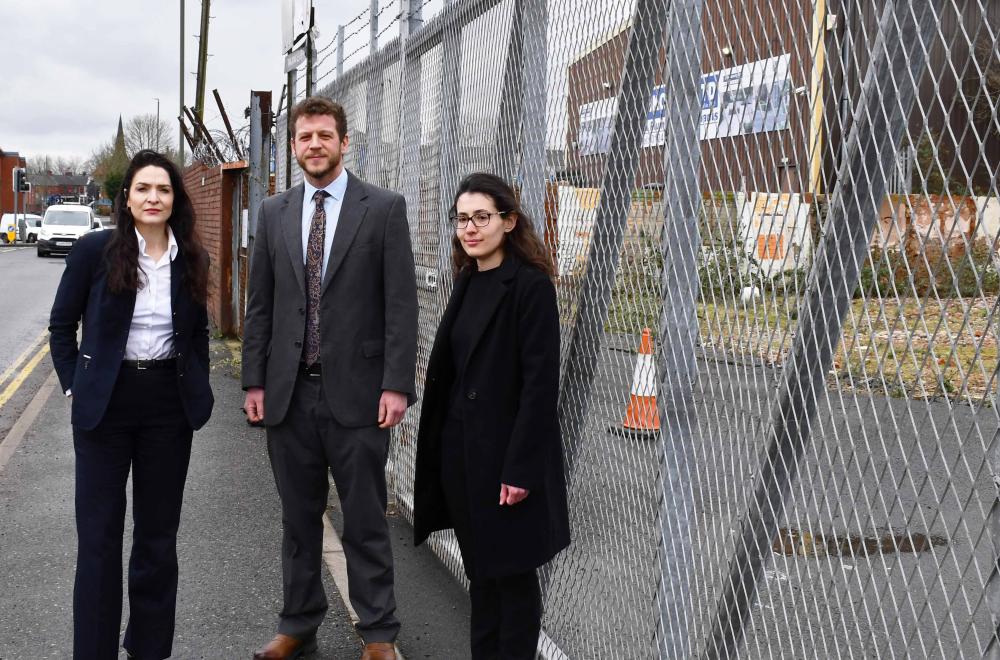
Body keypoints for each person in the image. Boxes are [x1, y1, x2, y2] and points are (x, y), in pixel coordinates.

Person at [242, 96, 418, 660]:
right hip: (289, 396)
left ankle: (379, 633)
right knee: (298, 522)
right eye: (304, 137)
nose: (314, 145)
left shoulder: (384, 208)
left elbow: (401, 305)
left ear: (345, 142)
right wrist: (254, 382)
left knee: (365, 518)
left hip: (361, 396)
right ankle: (298, 623)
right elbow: (260, 307)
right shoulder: (272, 213)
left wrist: (396, 383)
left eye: (324, 135)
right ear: (292, 147)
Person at [48, 149, 214, 660]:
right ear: (127, 198)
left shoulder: (191, 257)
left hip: (167, 406)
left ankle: (148, 649)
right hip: (106, 408)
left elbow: (197, 333)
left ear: (174, 200)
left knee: (157, 542)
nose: (153, 198)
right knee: (98, 541)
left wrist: (197, 385)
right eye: (143, 188)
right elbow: (60, 326)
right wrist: (76, 383)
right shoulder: (95, 252)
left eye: (163, 190)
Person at [413, 173, 571, 659]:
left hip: (507, 464)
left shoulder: (529, 287)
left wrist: (520, 468)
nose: (471, 228)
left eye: (482, 217)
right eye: (462, 219)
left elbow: (540, 387)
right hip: (463, 459)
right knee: (481, 578)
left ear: (509, 221)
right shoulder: (467, 281)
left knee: (514, 584)